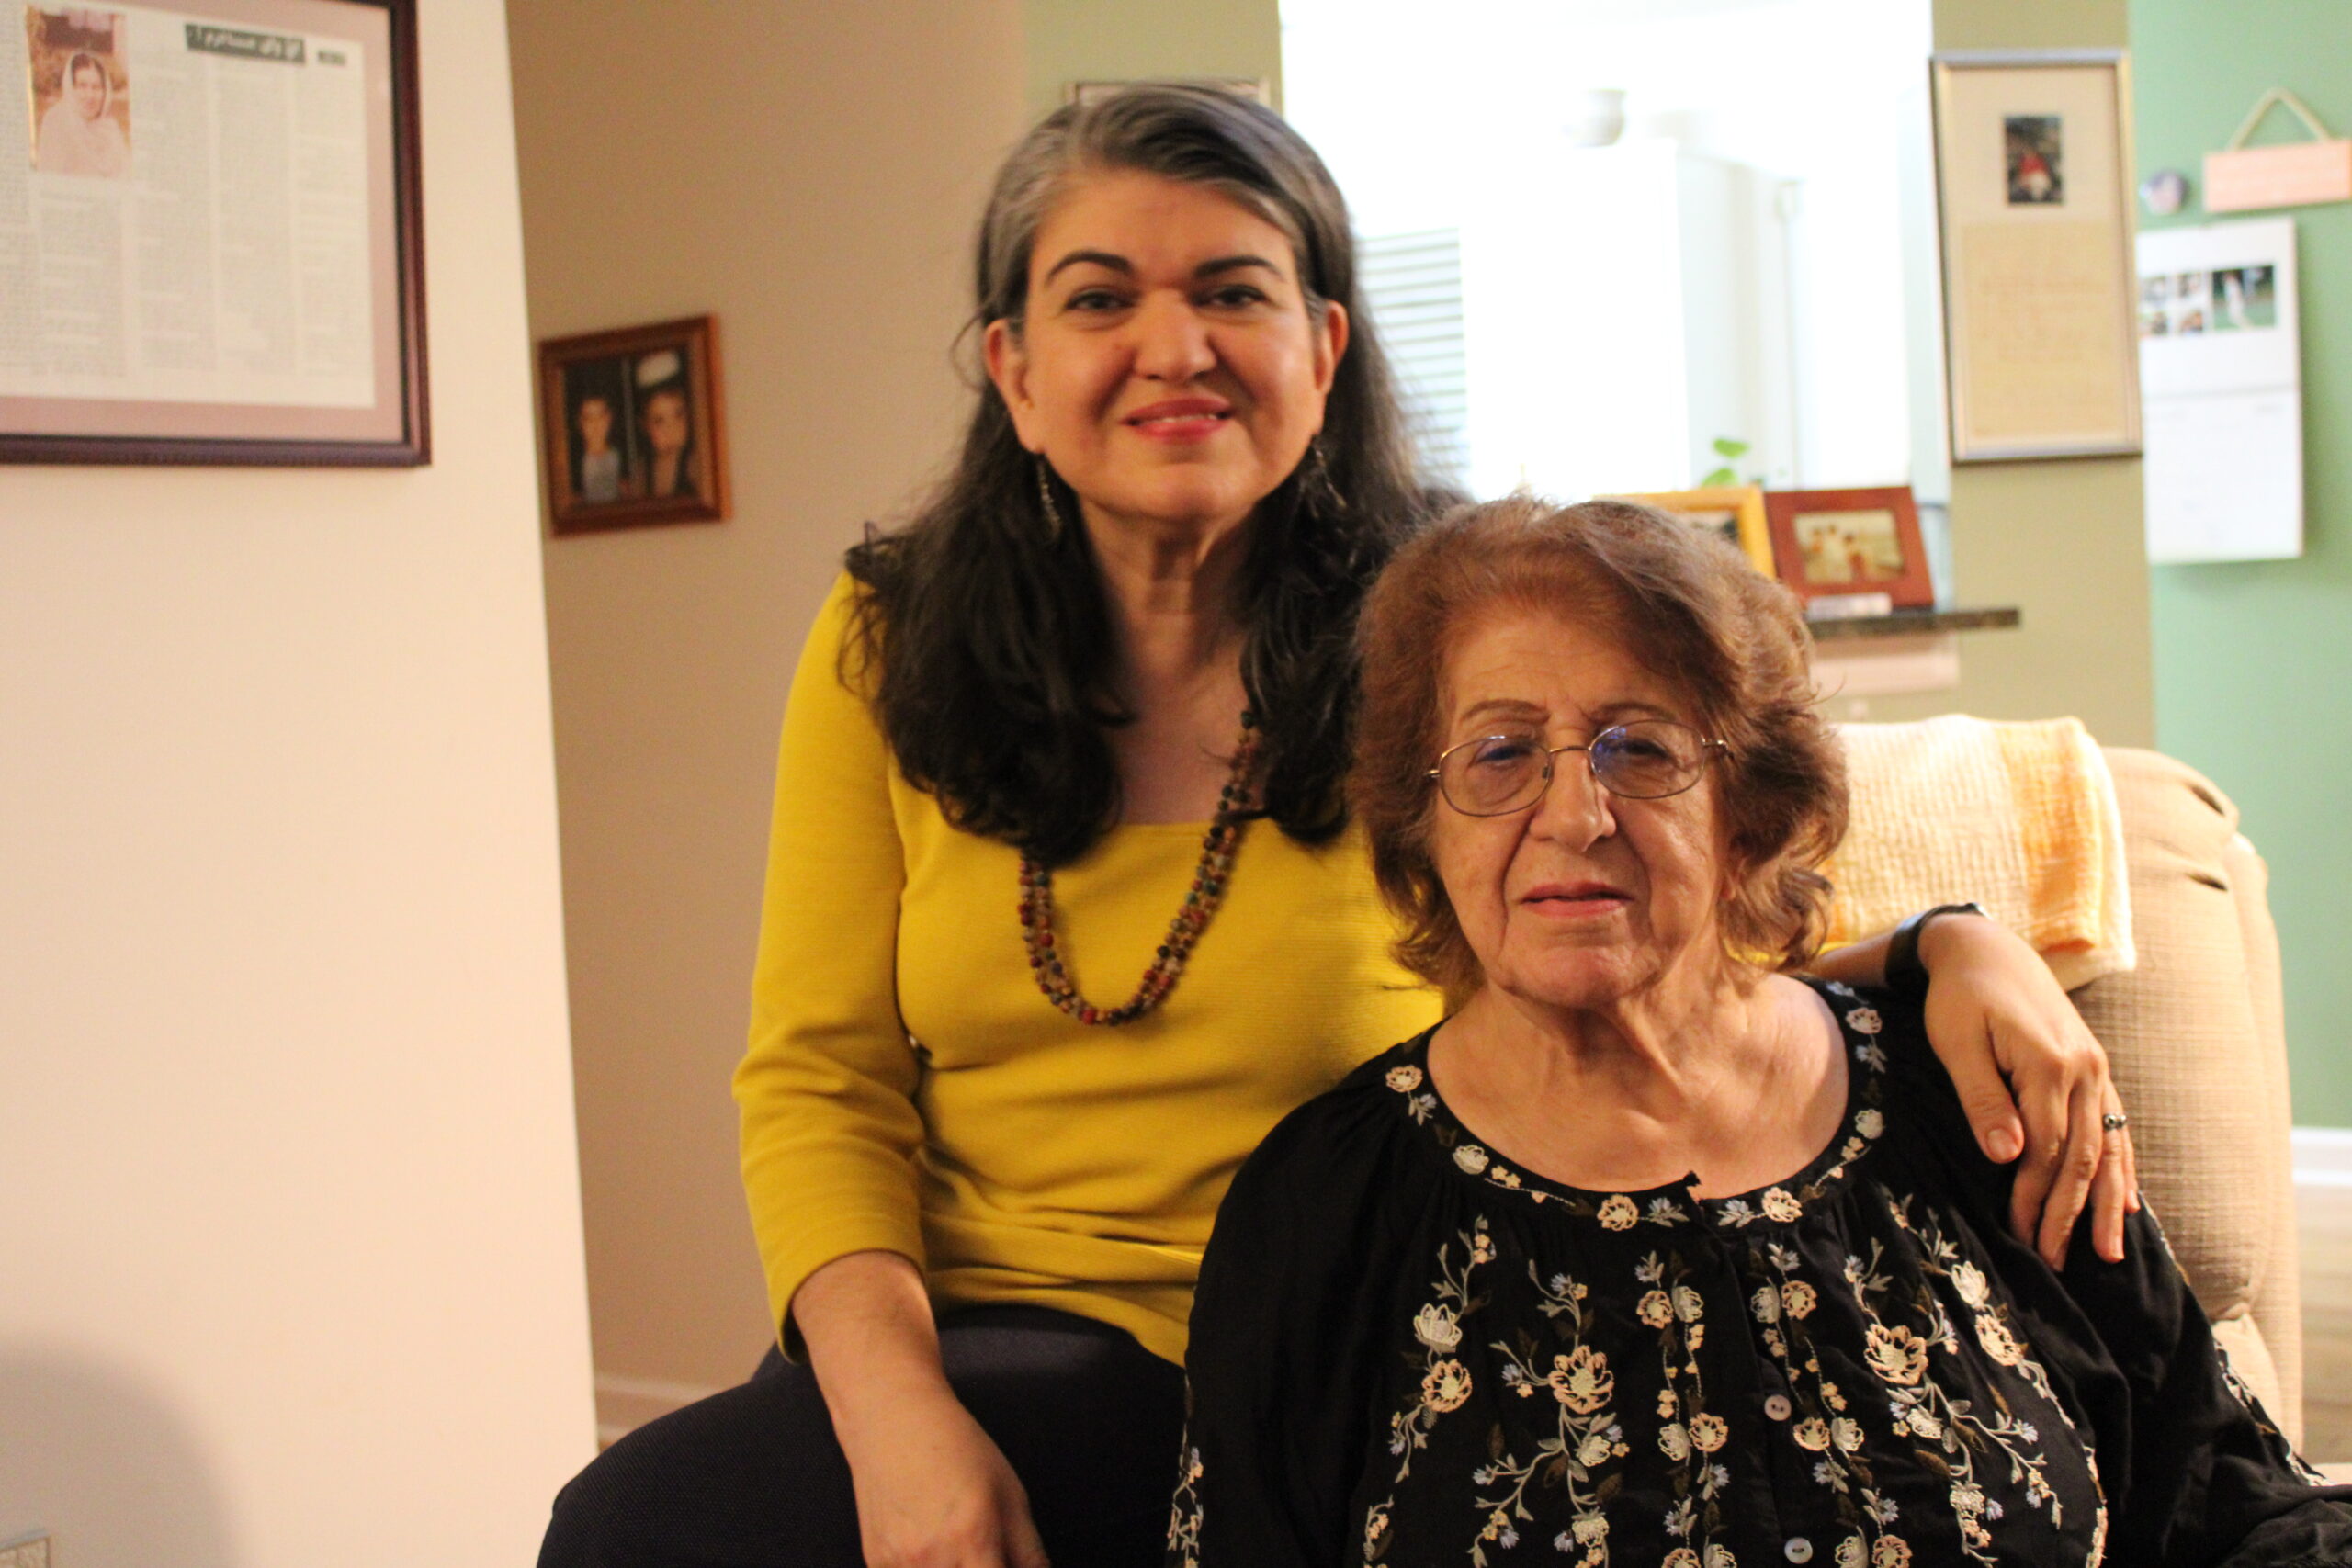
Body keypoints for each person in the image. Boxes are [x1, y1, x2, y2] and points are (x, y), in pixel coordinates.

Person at [539, 86, 2137, 1568]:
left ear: (1323, 348)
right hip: (955, 1338)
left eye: (1232, 292)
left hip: (1352, 1339)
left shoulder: (1459, 632)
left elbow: (1700, 933)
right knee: (629, 1525)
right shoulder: (885, 637)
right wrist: (899, 1426)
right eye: (1100, 297)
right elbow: (817, 1077)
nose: (1173, 346)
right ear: (1015, 372)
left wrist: (1949, 943)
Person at [1170, 496, 2350, 1567]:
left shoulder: (1970, 1095)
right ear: (1423, 823)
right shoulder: (1323, 1208)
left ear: (1749, 815)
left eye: (1640, 749)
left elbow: (2226, 1499)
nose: (1573, 813)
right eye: (1498, 753)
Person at [35, 51, 130, 180]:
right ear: (70, 88)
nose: (90, 96)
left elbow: (125, 176)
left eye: (96, 87)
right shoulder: (56, 122)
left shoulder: (110, 128)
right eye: (82, 86)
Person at [573, 392, 627, 503]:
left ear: (609, 418)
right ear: (580, 422)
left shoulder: (620, 458)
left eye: (600, 416)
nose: (596, 424)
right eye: (589, 418)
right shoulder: (574, 464)